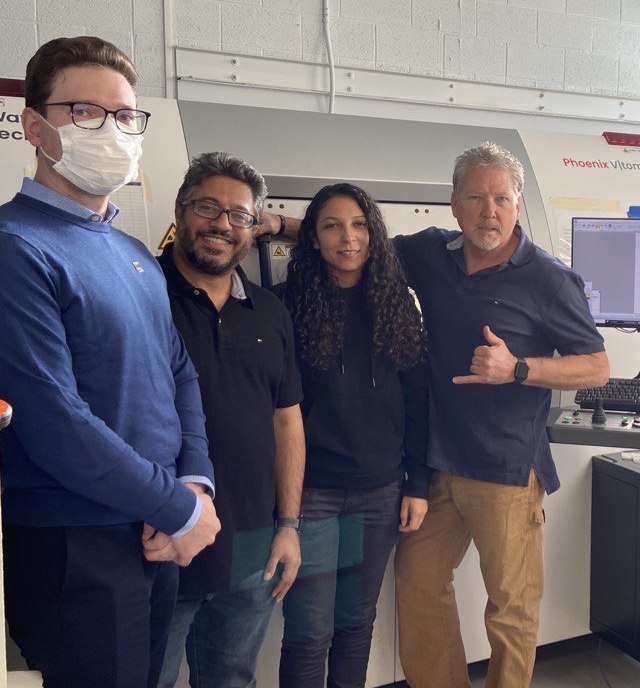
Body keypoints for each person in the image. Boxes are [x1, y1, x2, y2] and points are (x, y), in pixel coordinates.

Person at [0, 36, 220, 687]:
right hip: (77, 543)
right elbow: (51, 418)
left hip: (153, 532)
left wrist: (197, 485)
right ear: (35, 126)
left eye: (126, 116)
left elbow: (180, 373)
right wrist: (177, 508)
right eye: (85, 113)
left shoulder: (132, 253)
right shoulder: (17, 248)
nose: (113, 130)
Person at [391, 142, 610, 688]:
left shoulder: (547, 278)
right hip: (437, 466)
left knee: (510, 608)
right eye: (477, 198)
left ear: (516, 205)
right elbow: (356, 238)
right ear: (455, 204)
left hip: (507, 471)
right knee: (418, 586)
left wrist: (517, 369)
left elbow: (597, 366)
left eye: (502, 199)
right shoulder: (430, 254)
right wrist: (276, 223)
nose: (490, 211)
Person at [153, 152, 306, 687]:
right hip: (160, 542)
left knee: (231, 679)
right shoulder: (141, 293)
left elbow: (287, 423)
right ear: (180, 209)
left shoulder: (270, 312)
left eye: (239, 215)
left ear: (253, 227)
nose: (222, 224)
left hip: (251, 548)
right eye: (208, 207)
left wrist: (288, 526)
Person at [278, 182, 431, 688]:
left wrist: (418, 483)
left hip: (380, 491)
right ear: (314, 239)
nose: (348, 238)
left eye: (359, 224)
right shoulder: (286, 307)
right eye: (331, 225)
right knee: (309, 632)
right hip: (312, 494)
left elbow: (418, 401)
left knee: (354, 625)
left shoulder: (396, 305)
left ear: (374, 233)